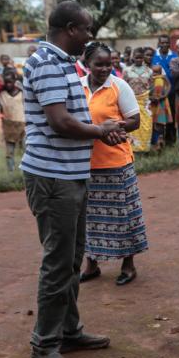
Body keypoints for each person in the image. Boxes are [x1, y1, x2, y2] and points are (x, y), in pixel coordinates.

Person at [21, 2, 124, 358]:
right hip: (53, 177)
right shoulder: (48, 64)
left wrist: (98, 130)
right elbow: (60, 122)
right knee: (58, 262)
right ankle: (44, 345)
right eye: (86, 29)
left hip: (69, 174)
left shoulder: (62, 62)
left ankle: (68, 331)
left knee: (72, 258)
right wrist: (100, 130)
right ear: (69, 28)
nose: (89, 35)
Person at [77, 42, 148, 285]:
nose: (105, 68)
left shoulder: (119, 86)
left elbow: (135, 121)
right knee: (89, 218)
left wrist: (113, 128)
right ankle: (91, 264)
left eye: (109, 63)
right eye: (99, 64)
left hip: (116, 162)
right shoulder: (78, 88)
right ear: (87, 64)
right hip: (86, 163)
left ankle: (128, 265)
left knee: (123, 215)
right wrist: (98, 131)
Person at [122, 47, 153, 152]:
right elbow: (123, 86)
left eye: (140, 57)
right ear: (133, 58)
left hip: (145, 103)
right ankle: (133, 149)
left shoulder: (149, 71)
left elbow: (151, 86)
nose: (139, 59)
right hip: (131, 101)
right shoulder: (127, 70)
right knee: (132, 124)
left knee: (146, 125)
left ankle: (145, 149)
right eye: (136, 57)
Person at [152, 35, 178, 144]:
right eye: (162, 42)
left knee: (171, 116)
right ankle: (156, 141)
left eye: (166, 42)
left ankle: (170, 140)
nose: (164, 44)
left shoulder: (174, 56)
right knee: (157, 117)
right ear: (159, 43)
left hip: (172, 92)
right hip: (156, 94)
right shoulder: (154, 56)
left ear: (169, 43)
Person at [0, 73, 25, 172]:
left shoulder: (22, 93)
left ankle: (26, 171)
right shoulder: (1, 94)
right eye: (6, 82)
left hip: (23, 124)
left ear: (15, 81)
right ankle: (11, 171)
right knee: (9, 152)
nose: (8, 84)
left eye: (10, 82)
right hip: (9, 125)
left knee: (26, 150)